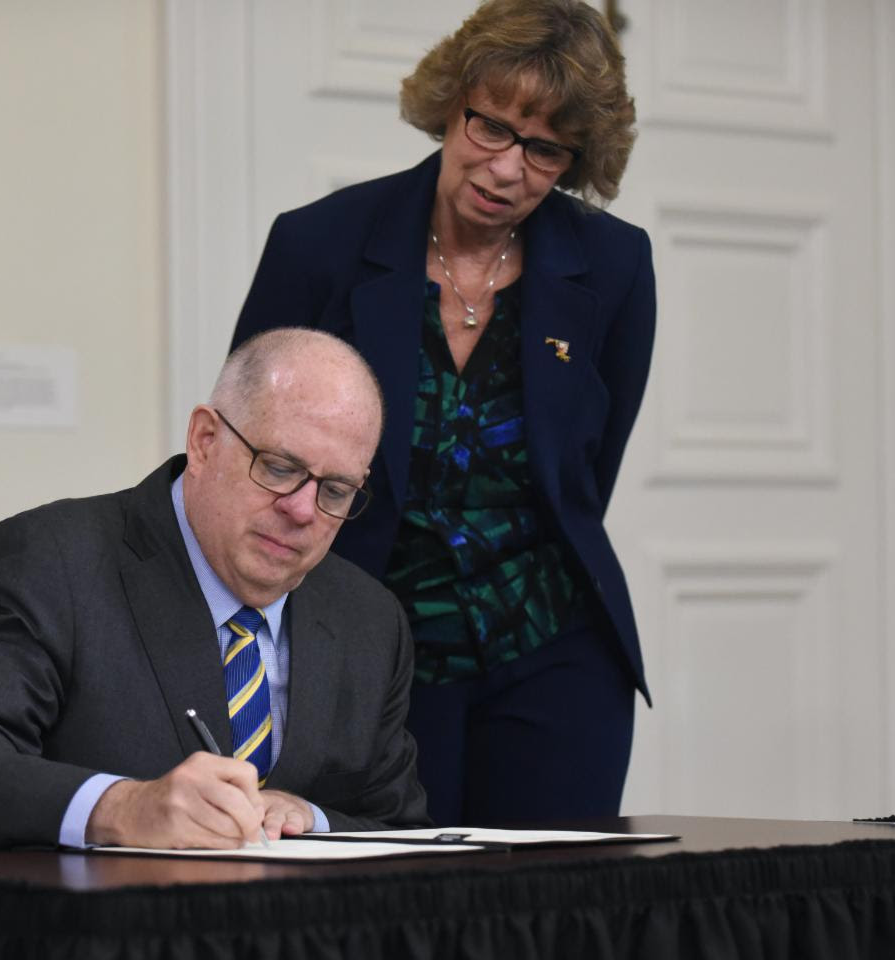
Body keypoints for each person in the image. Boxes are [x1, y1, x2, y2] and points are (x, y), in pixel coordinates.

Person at [232, 0, 654, 826]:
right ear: (450, 105)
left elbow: (585, 475)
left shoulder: (613, 265)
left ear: (574, 159)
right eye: (491, 127)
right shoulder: (320, 245)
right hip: (368, 661)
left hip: (552, 653)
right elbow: (250, 449)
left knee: (555, 914)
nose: (506, 169)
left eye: (544, 149)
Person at [0, 328, 429, 850]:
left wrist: (310, 820)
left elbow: (402, 829)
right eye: (280, 468)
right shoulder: (53, 562)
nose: (303, 510)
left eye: (335, 491)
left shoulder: (368, 618)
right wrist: (123, 808)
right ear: (204, 441)